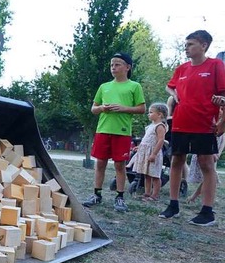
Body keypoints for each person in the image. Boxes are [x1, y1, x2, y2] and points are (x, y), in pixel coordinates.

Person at [159, 30, 225, 226]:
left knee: (206, 164)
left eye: (190, 44)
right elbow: (169, 86)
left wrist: (221, 118)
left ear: (203, 45)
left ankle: (207, 212)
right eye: (185, 44)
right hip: (180, 122)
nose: (186, 48)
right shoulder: (182, 69)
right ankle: (173, 205)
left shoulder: (215, 65)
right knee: (176, 161)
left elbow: (223, 96)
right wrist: (174, 92)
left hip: (204, 123)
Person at [82, 52, 146, 212]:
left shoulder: (134, 86)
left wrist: (124, 108)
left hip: (122, 132)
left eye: (117, 64)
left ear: (127, 67)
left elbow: (142, 108)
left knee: (120, 165)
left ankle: (120, 197)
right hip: (103, 130)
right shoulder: (104, 87)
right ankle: (96, 195)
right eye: (112, 64)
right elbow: (93, 109)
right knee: (100, 163)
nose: (113, 67)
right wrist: (102, 108)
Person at [127, 102, 168, 201]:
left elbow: (160, 140)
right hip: (145, 152)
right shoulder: (150, 126)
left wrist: (154, 154)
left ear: (160, 114)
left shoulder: (160, 126)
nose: (148, 114)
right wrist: (139, 147)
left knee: (154, 175)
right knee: (147, 174)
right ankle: (147, 193)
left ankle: (154, 195)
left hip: (153, 153)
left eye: (151, 112)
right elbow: (146, 139)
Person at [166, 94, 189, 194]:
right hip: (172, 128)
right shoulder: (172, 98)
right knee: (174, 157)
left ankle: (183, 181)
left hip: (186, 128)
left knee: (182, 158)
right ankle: (177, 181)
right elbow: (167, 116)